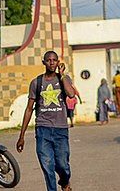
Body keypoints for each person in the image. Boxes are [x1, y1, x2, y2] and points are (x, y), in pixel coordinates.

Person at [16, 51, 76, 191]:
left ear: (58, 62)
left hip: (61, 129)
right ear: (44, 62)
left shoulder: (64, 80)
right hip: (43, 129)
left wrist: (62, 75)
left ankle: (65, 182)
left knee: (63, 165)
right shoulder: (36, 83)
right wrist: (21, 136)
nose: (51, 62)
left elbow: (71, 94)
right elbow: (29, 109)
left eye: (54, 60)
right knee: (47, 165)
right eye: (48, 60)